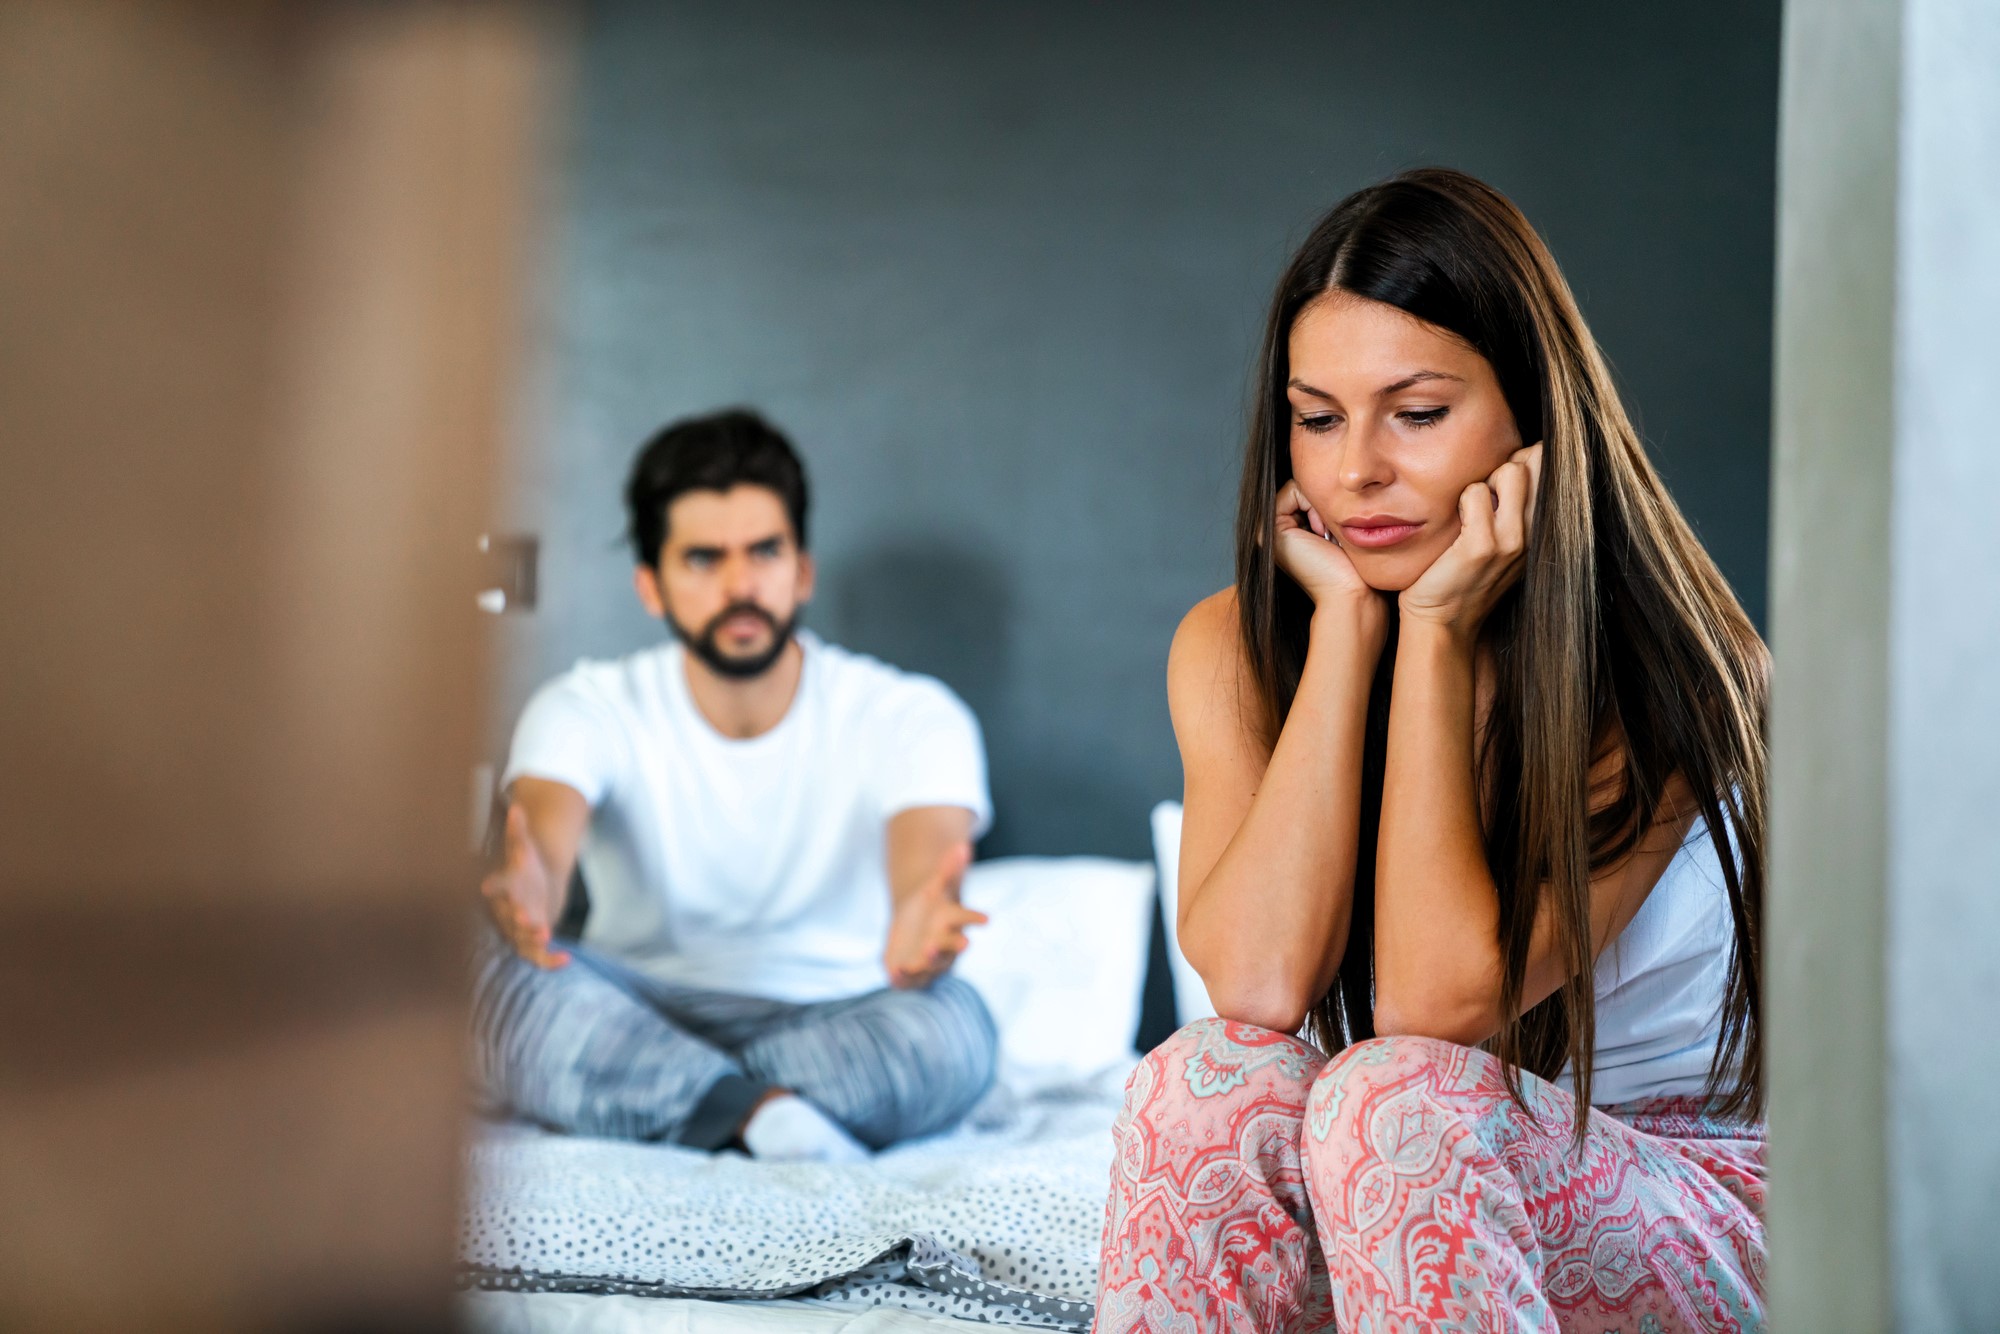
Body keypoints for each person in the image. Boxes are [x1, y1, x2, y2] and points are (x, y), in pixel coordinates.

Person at [1097, 169, 1767, 1332]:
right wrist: (1352, 633)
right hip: (1403, 1195)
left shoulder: (1675, 672)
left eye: (1415, 414)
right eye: (1316, 417)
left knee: (1391, 1095)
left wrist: (1441, 629)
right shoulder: (1237, 645)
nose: (1354, 470)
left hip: (1691, 1191)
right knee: (1202, 1080)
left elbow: (1427, 1005)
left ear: (1530, 419)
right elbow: (1256, 988)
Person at [470, 409, 998, 1163]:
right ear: (650, 586)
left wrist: (921, 913)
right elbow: (542, 852)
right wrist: (524, 894)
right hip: (633, 1002)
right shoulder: (586, 706)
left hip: (837, 1015)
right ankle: (771, 1120)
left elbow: (927, 866)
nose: (740, 584)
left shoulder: (911, 713)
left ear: (803, 570)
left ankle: (703, 1108)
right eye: (703, 559)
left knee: (955, 1031)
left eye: (765, 552)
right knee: (463, 967)